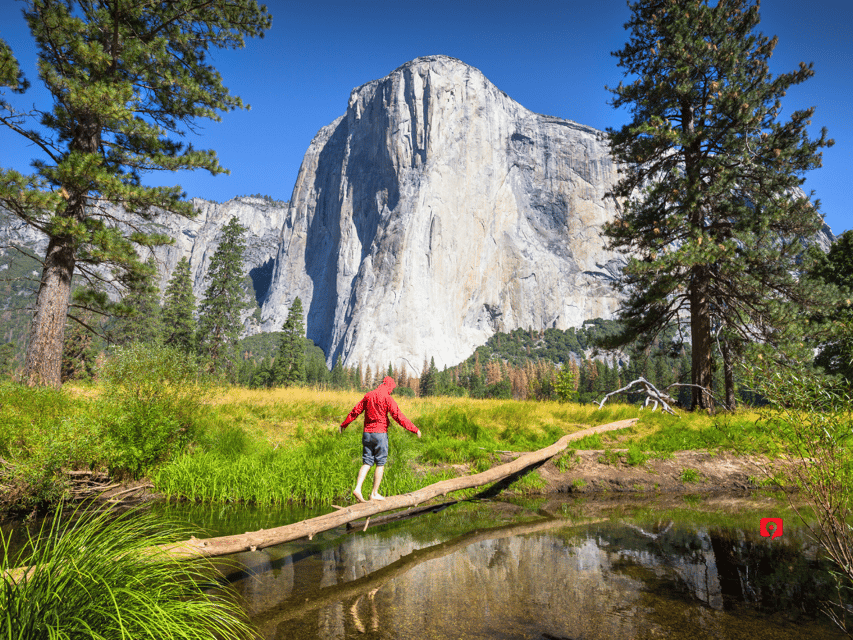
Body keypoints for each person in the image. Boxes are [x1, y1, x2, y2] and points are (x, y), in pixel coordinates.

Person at [339, 376, 421, 502]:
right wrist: (414, 429)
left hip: (367, 433)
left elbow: (355, 411)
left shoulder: (368, 395)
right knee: (380, 463)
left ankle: (358, 488)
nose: (391, 391)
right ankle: (374, 493)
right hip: (380, 434)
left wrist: (344, 424)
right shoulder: (387, 398)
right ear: (389, 386)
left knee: (367, 462)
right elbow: (398, 416)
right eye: (392, 388)